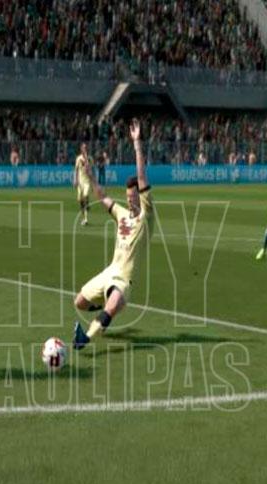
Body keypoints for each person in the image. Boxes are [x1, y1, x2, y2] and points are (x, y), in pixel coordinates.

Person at [73, 119, 152, 350]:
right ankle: (105, 314)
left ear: (141, 196)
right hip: (109, 272)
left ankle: (85, 337)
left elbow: (142, 177)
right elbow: (103, 197)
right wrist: (91, 176)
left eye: (134, 196)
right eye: (128, 196)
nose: (130, 199)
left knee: (112, 305)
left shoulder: (146, 216)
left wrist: (137, 144)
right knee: (80, 302)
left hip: (123, 280)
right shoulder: (121, 214)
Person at [73, 143, 94, 226]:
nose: (85, 149)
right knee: (80, 200)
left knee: (85, 195)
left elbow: (92, 170)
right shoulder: (78, 158)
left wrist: (93, 182)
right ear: (81, 149)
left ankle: (86, 214)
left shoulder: (90, 159)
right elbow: (76, 170)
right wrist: (75, 180)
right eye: (84, 148)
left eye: (86, 147)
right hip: (80, 182)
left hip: (87, 181)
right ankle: (84, 218)